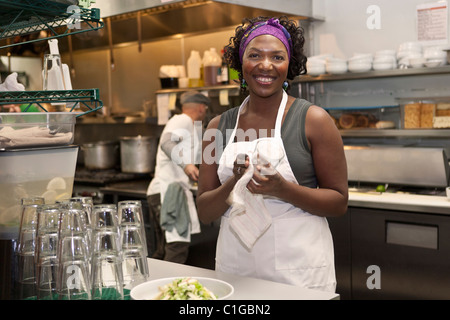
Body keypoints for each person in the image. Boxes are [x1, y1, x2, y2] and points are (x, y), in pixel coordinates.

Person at [196, 16, 348, 292]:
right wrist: (235, 182)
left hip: (299, 274)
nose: (265, 65)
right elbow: (205, 211)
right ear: (240, 64)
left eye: (277, 57)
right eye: (254, 55)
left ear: (288, 65)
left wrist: (282, 189)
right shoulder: (216, 127)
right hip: (236, 270)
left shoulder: (314, 120)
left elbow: (338, 202)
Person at [147, 91, 211, 263]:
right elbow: (166, 143)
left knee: (163, 250)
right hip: (168, 193)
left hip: (165, 192)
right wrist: (187, 166)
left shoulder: (189, 127)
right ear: (200, 108)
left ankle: (155, 286)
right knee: (177, 247)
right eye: (205, 109)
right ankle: (171, 288)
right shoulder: (182, 120)